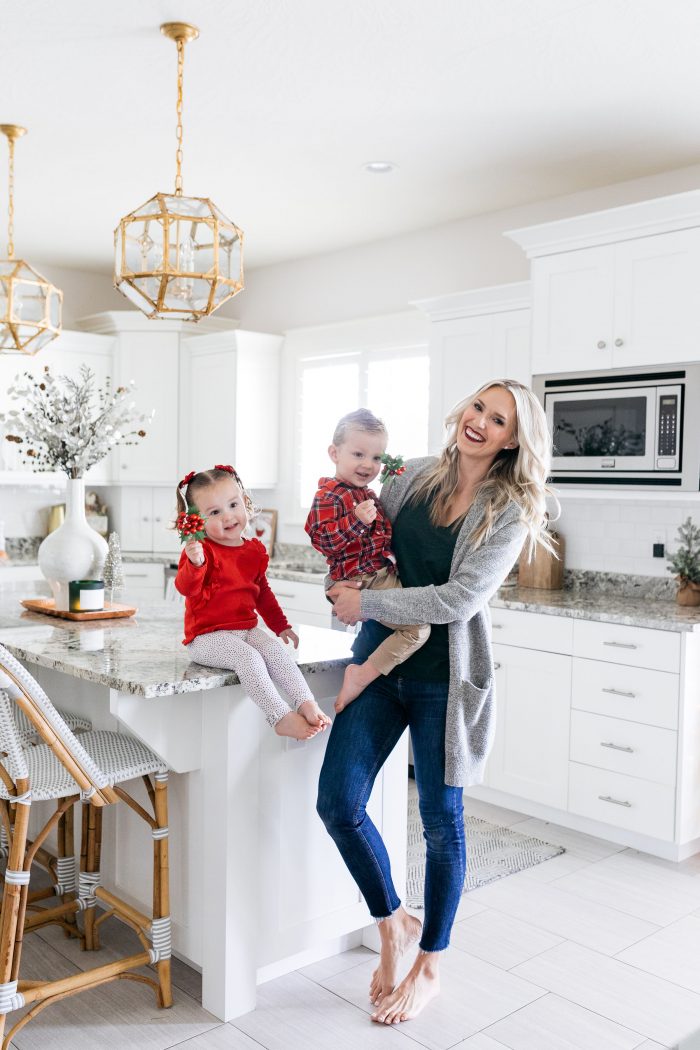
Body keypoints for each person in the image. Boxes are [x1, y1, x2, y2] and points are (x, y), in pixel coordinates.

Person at [316, 380, 558, 1025]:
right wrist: (340, 579)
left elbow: (458, 600)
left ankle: (430, 964)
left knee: (441, 825)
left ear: (514, 439)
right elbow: (360, 532)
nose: (480, 422)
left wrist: (365, 601)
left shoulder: (510, 507)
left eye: (498, 419)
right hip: (376, 664)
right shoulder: (410, 473)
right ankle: (392, 920)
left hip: (443, 679)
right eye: (479, 406)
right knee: (338, 803)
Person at [175, 464, 331, 740]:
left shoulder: (253, 550)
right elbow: (186, 587)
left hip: (244, 629)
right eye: (214, 512)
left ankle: (306, 702)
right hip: (206, 638)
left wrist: (281, 626)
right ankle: (279, 717)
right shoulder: (202, 552)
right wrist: (195, 562)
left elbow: (262, 593)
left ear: (246, 503)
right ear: (197, 521)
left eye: (233, 504)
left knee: (274, 650)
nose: (228, 516)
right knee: (248, 658)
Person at [305, 409, 430, 712]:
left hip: (375, 575)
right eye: (358, 453)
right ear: (334, 453)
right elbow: (323, 541)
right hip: (365, 579)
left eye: (376, 457)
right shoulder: (329, 496)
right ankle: (361, 675)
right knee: (418, 628)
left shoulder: (367, 494)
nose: (368, 464)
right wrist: (356, 522)